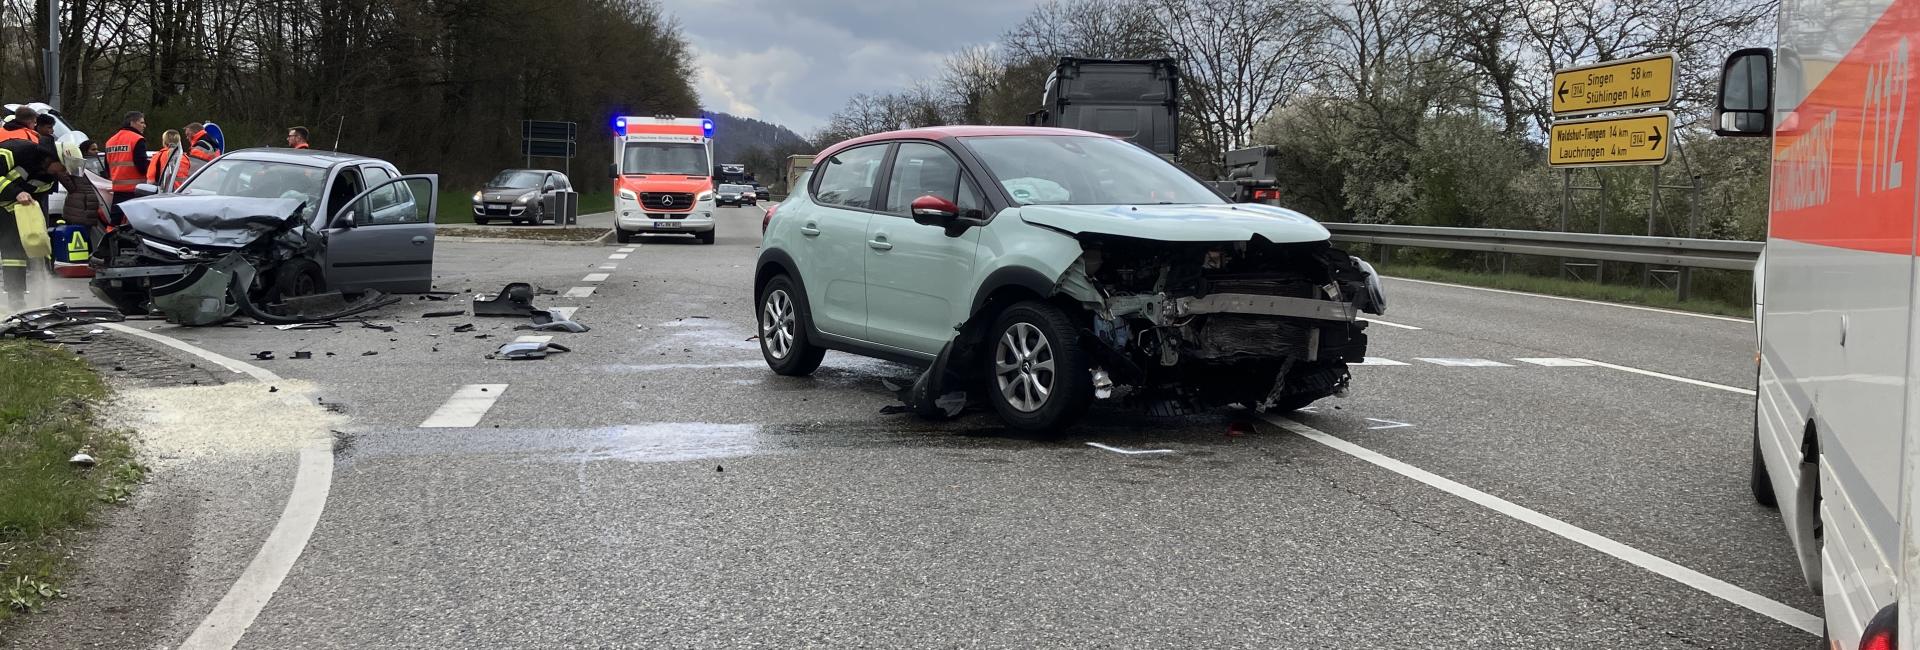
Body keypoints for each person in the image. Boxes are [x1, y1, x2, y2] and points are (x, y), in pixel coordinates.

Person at [0, 140, 64, 310]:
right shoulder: (16, 150)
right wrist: (16, 192)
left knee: (14, 254)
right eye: (62, 166)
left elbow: (34, 204)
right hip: (6, 204)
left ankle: (16, 299)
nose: (63, 172)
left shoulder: (48, 180)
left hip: (7, 211)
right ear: (52, 158)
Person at [105, 111, 150, 204]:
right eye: (141, 122)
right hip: (135, 191)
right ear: (132, 123)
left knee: (116, 218)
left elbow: (107, 168)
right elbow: (142, 166)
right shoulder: (137, 139)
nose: (144, 125)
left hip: (117, 192)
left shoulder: (110, 141)